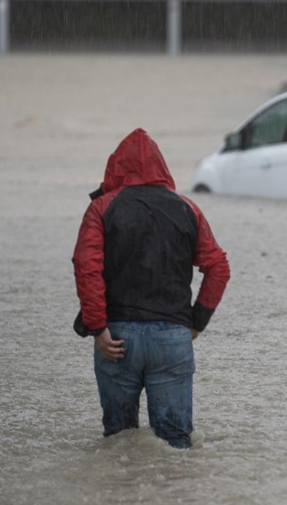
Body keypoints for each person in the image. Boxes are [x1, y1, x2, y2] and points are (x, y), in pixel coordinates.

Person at [72, 128, 230, 449]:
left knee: (118, 443)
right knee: (175, 447)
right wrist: (196, 322)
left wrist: (98, 327)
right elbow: (218, 268)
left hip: (116, 338)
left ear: (114, 168)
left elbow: (86, 268)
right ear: (162, 168)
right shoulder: (188, 209)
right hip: (172, 337)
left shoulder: (101, 209)